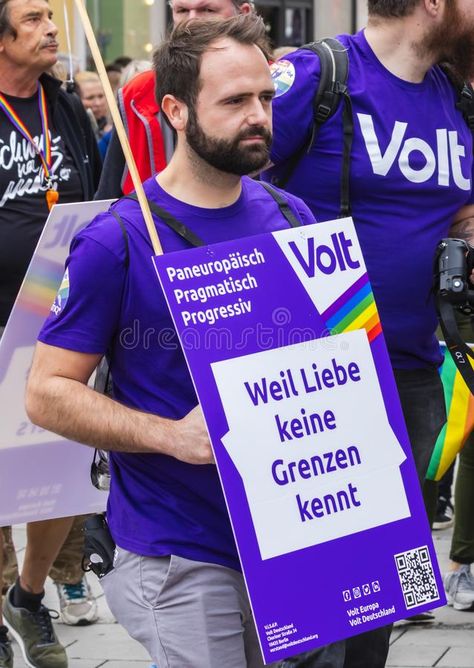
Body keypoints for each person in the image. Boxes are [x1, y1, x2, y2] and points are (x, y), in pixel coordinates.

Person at [24, 14, 318, 668]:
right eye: (236, 101)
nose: (259, 117)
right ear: (175, 111)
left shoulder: (294, 218)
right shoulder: (118, 240)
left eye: (266, 98)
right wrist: (169, 435)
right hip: (179, 550)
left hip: (291, 540)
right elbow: (45, 394)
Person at [263, 0, 474, 664]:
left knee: (384, 594)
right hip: (315, 382)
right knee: (312, 613)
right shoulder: (317, 77)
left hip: (413, 377)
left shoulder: (455, 97)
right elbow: (220, 189)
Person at [0, 0, 101, 666]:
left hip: (62, 320)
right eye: (34, 18)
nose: (50, 27)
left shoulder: (64, 107)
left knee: (60, 474)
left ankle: (30, 598)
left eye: (50, 16)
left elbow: (92, 193)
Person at [95, 0, 254, 200]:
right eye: (182, 11)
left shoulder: (278, 86)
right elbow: (107, 198)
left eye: (208, 10)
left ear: (244, 13)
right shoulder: (137, 95)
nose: (192, 22)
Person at [74, 70, 112, 139]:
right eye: (90, 98)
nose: (98, 103)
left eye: (101, 96)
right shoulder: (73, 132)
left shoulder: (113, 130)